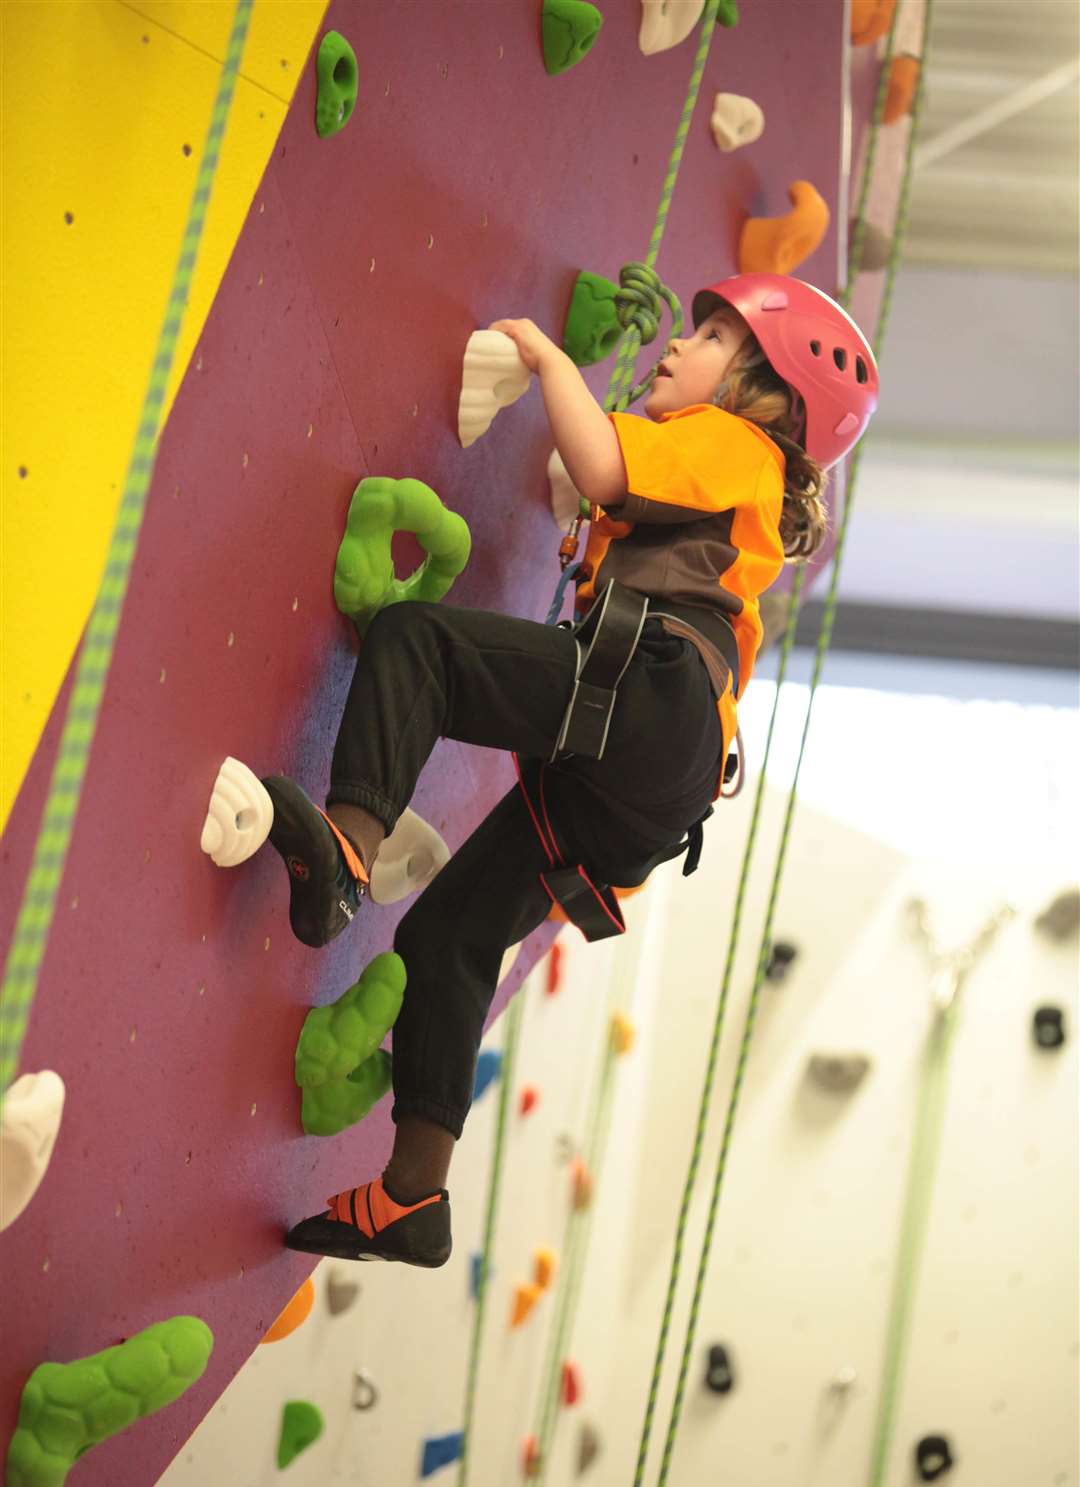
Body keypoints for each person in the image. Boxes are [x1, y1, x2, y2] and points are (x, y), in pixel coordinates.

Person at [270, 273, 879, 1268]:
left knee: (418, 645)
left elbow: (599, 465)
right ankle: (413, 1195)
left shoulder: (739, 447)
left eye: (717, 338)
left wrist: (552, 361)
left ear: (762, 396)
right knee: (454, 936)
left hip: (653, 702)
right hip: (653, 776)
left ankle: (350, 853)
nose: (681, 347)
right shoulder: (727, 488)